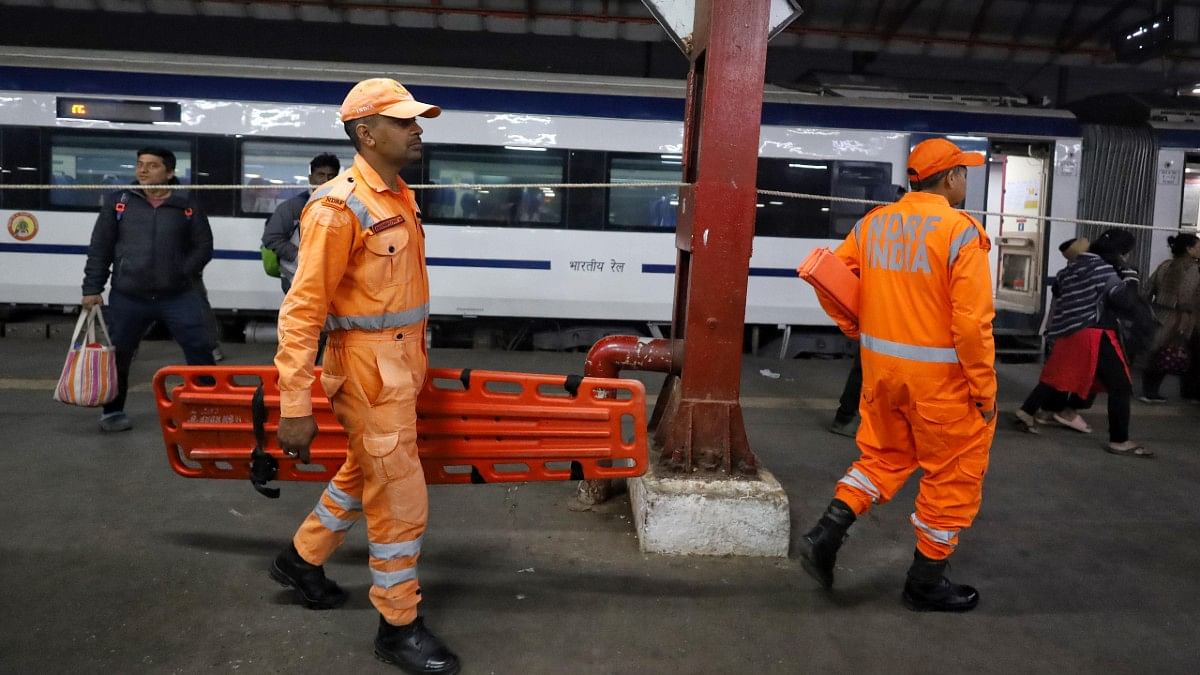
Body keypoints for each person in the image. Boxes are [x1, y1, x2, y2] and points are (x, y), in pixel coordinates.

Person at [268, 78, 458, 674]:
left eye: (415, 120)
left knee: (364, 470)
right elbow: (302, 312)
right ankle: (398, 627)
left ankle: (302, 559)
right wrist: (293, 404)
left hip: (398, 369)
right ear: (366, 134)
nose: (417, 129)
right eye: (404, 122)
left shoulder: (397, 194)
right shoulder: (336, 206)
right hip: (369, 372)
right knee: (400, 499)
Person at [799, 138, 996, 612]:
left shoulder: (874, 224)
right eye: (963, 173)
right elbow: (971, 324)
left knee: (882, 458)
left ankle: (826, 534)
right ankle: (925, 583)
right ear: (949, 179)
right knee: (951, 476)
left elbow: (830, 276)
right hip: (942, 384)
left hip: (881, 374)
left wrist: (856, 326)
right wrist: (984, 390)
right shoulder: (960, 231)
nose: (965, 180)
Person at [80, 147, 215, 432]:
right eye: (140, 165)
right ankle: (112, 412)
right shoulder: (120, 204)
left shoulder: (187, 205)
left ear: (169, 173)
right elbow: (100, 248)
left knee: (200, 348)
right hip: (129, 295)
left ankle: (208, 408)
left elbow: (203, 247)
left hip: (178, 295)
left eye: (152, 166)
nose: (142, 171)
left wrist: (181, 272)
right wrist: (92, 288)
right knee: (119, 354)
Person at [1015, 229, 1154, 457]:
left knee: (1058, 376)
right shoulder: (1102, 268)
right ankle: (1119, 440)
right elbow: (1124, 301)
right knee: (1119, 385)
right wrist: (1130, 277)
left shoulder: (1071, 268)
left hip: (1069, 329)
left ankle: (1029, 411)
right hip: (1094, 332)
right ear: (1121, 252)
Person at [261, 153, 341, 294]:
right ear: (311, 178)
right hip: (295, 277)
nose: (325, 180)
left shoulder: (344, 207)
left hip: (331, 277)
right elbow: (271, 237)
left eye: (331, 176)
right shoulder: (293, 207)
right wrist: (300, 258)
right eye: (320, 175)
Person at [1140, 233, 1200, 402]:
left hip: (1161, 315)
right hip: (1187, 319)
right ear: (1189, 250)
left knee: (1157, 352)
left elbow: (1147, 290)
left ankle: (1149, 391)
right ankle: (1190, 392)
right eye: (1198, 247)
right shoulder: (1195, 270)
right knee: (1191, 354)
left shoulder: (1165, 266)